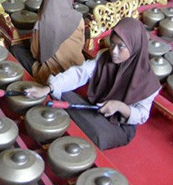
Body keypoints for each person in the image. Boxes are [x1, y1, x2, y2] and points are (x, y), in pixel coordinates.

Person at [24, 18, 161, 150]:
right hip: (96, 107)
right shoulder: (105, 57)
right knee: (60, 92)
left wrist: (119, 106)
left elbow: (142, 115)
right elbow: (81, 73)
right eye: (112, 43)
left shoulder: (148, 81)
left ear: (135, 47)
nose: (114, 51)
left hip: (118, 125)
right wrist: (48, 88)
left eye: (121, 46)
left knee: (98, 137)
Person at [25, 0, 85, 84]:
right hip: (77, 69)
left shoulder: (42, 21)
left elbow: (35, 53)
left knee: (17, 49)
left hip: (52, 75)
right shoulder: (79, 18)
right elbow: (81, 44)